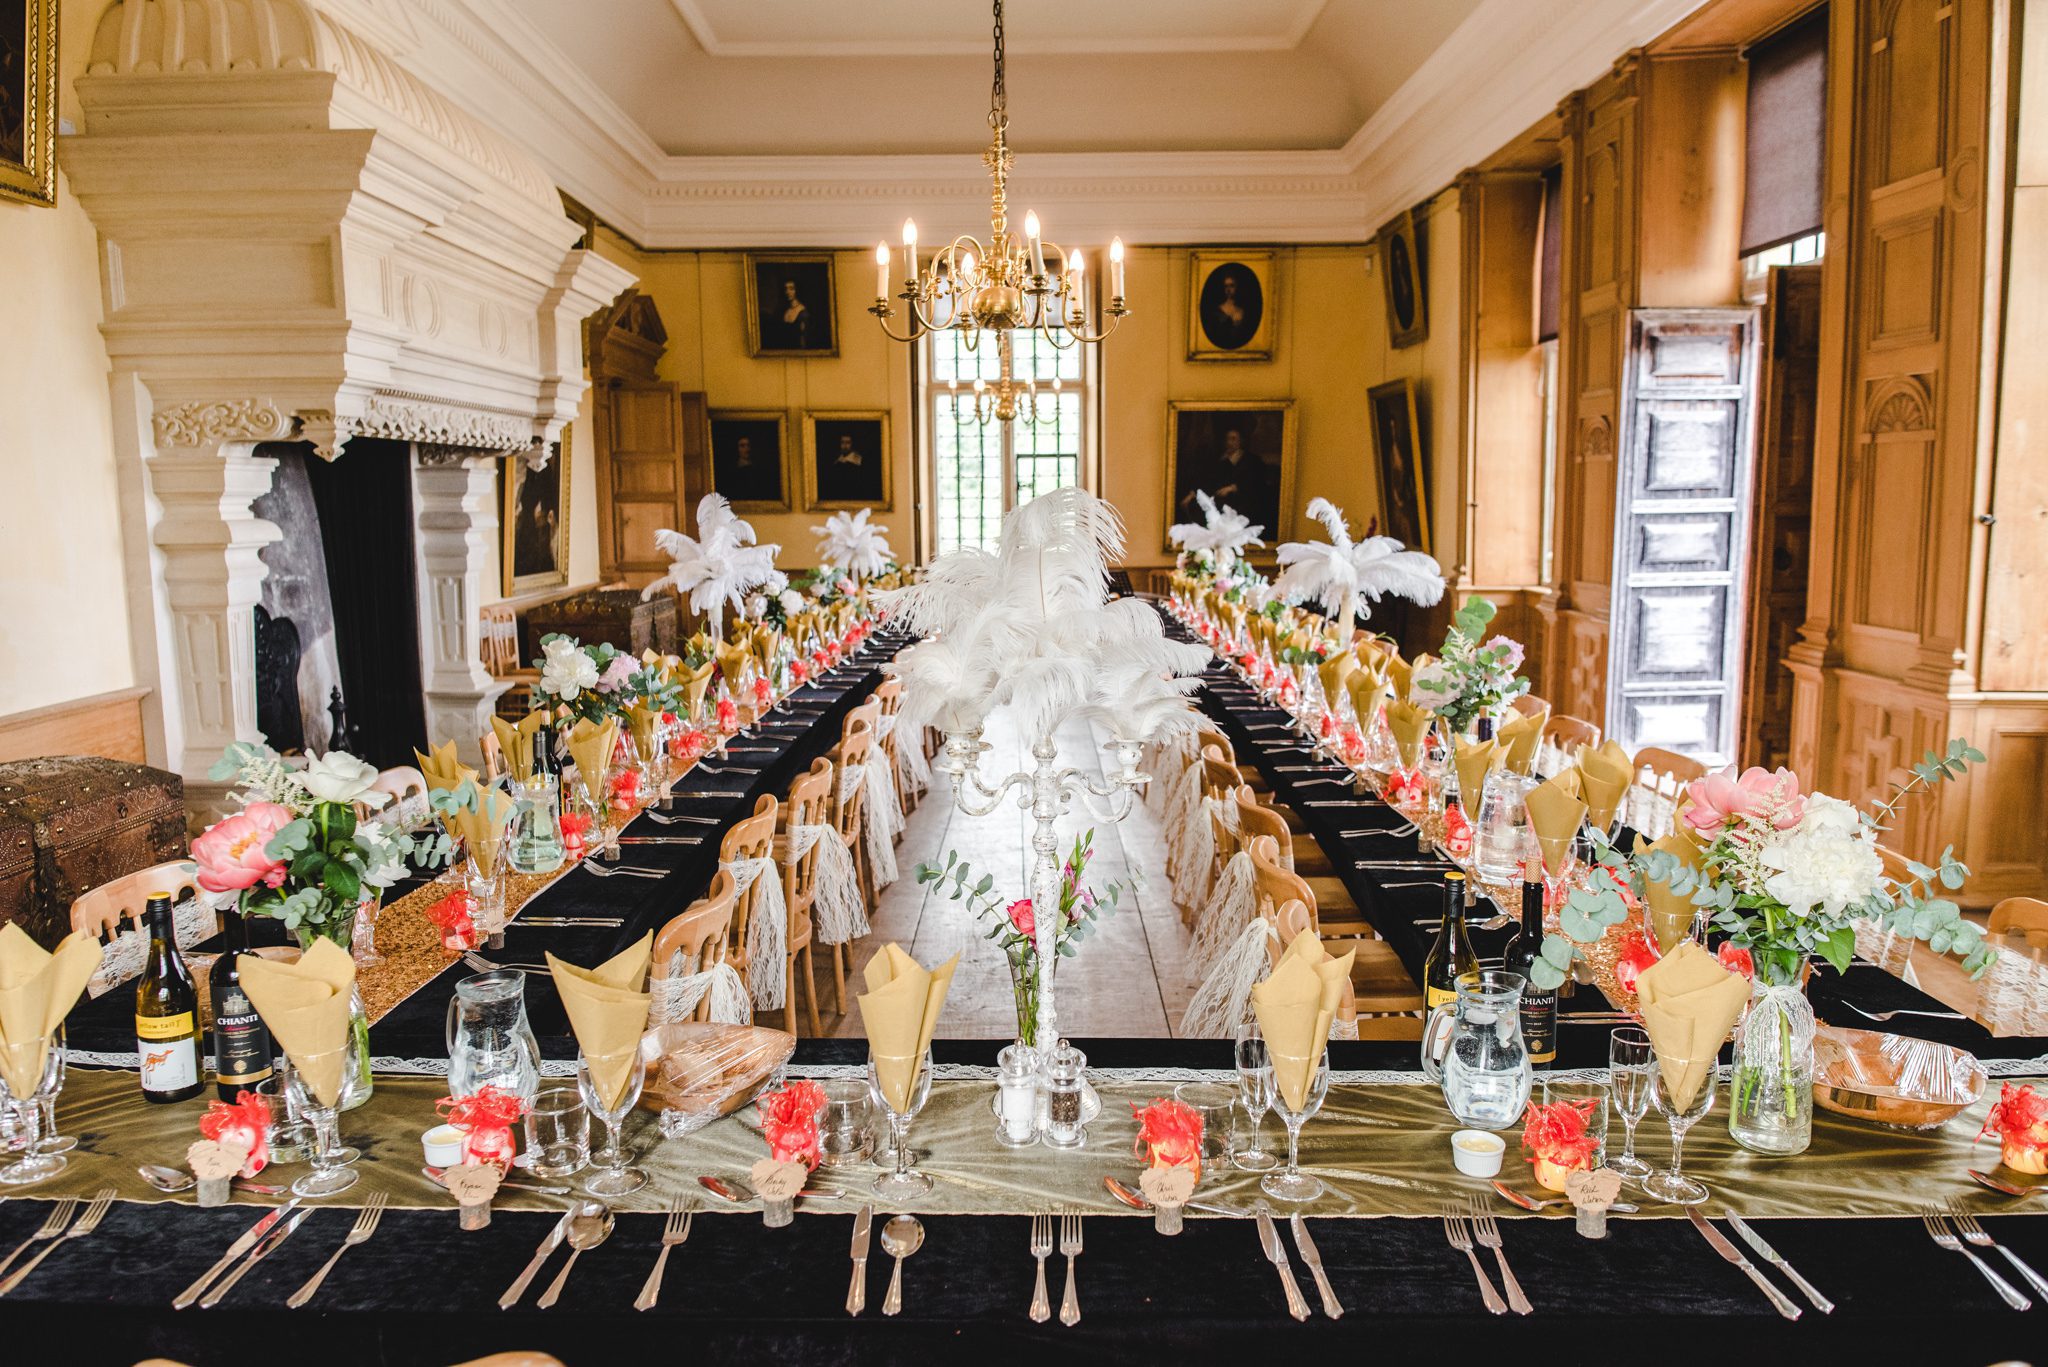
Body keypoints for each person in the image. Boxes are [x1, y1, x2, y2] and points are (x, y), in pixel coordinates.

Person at [1199, 267, 1260, 350]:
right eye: (1226, 286)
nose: (1228, 289)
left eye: (1232, 286)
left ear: (1237, 287)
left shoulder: (1243, 311)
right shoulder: (1217, 311)